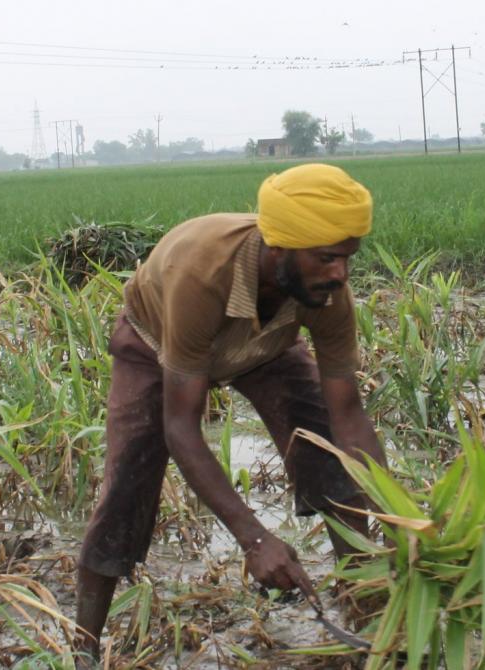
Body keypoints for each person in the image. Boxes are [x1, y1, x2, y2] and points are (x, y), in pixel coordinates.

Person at [73, 163, 386, 660]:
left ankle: (366, 614)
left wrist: (398, 520)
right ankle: (83, 648)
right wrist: (255, 539)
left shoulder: (325, 293)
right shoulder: (200, 275)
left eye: (348, 258)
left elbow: (348, 415)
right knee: (127, 487)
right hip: (158, 346)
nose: (340, 274)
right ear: (279, 248)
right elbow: (182, 428)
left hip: (267, 347)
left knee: (326, 452)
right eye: (327, 258)